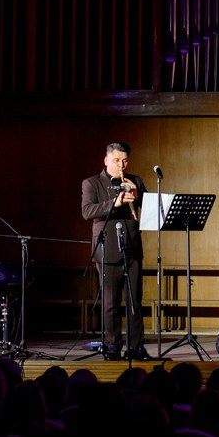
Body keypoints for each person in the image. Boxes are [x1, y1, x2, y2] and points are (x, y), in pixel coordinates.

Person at [82, 141, 147, 361]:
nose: (122, 165)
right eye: (117, 160)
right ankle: (112, 346)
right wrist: (114, 202)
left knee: (135, 301)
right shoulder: (92, 183)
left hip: (132, 247)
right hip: (107, 248)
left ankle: (136, 347)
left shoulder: (135, 181)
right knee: (111, 303)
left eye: (125, 161)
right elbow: (87, 211)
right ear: (106, 160)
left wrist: (137, 194)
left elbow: (149, 209)